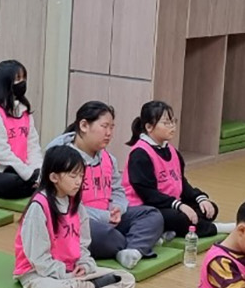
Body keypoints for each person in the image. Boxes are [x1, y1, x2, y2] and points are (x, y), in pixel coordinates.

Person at [15, 144, 135, 288]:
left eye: (81, 175)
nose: (79, 181)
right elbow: (38, 258)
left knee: (126, 279)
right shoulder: (39, 207)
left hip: (74, 272)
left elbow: (83, 246)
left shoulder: (77, 205)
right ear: (54, 177)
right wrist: (67, 275)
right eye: (73, 176)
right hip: (38, 273)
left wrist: (84, 265)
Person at [51, 101, 164, 269]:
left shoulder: (109, 159)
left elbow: (118, 190)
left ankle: (132, 250)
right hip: (78, 221)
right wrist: (105, 216)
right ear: (84, 125)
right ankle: (140, 242)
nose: (109, 133)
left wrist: (118, 208)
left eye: (112, 127)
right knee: (104, 235)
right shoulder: (62, 158)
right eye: (104, 126)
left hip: (110, 216)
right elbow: (63, 205)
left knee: (152, 215)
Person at [122, 101, 223, 240]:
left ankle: (170, 230)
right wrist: (179, 206)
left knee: (210, 208)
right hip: (146, 207)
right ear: (149, 127)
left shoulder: (171, 150)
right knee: (178, 218)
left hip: (169, 203)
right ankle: (216, 228)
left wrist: (200, 198)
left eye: (173, 121)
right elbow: (148, 195)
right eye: (166, 123)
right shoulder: (140, 154)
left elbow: (181, 182)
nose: (172, 127)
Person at [0, 60, 42, 201]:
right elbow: (1, 153)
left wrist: (38, 171)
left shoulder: (25, 113)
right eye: (17, 79)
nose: (22, 83)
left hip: (18, 169)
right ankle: (34, 186)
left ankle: (34, 184)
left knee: (48, 175)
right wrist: (28, 174)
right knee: (13, 184)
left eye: (24, 78)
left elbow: (33, 146)